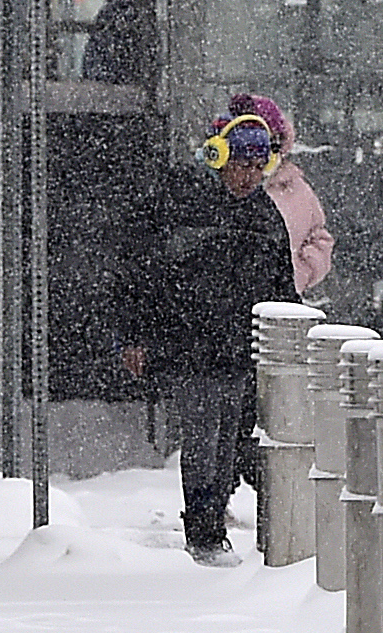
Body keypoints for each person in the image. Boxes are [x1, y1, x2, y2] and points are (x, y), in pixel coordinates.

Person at [119, 103, 299, 561]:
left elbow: (283, 289)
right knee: (203, 442)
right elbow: (145, 274)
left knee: (227, 445)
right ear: (219, 159)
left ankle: (211, 524)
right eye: (242, 166)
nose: (250, 177)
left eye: (259, 168)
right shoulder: (183, 207)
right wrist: (137, 333)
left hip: (239, 353)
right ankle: (203, 531)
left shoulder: (265, 218)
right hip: (191, 348)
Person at [231, 90, 336, 299]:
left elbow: (320, 239)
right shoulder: (215, 189)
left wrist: (298, 272)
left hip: (277, 304)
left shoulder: (297, 190)